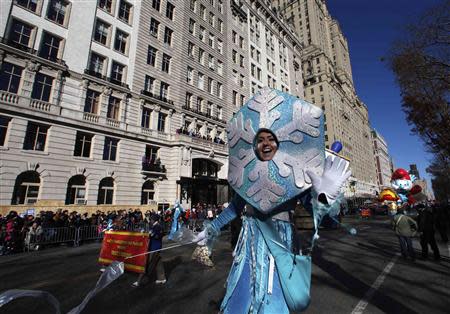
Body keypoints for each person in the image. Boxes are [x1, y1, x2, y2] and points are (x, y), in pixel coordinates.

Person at [193, 88, 350, 313]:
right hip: (248, 246)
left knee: (273, 301)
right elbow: (236, 207)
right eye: (260, 140)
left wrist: (324, 198)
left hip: (279, 246)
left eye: (271, 139)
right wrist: (210, 230)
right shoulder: (248, 178)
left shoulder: (298, 178)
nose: (265, 143)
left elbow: (317, 221)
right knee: (239, 300)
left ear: (280, 144)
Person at [132, 213, 166, 287]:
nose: (150, 221)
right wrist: (146, 233)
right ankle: (162, 278)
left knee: (146, 264)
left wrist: (151, 235)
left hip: (154, 248)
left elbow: (158, 236)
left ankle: (138, 281)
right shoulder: (154, 226)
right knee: (158, 263)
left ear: (154, 220)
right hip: (154, 247)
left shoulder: (158, 227)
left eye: (150, 219)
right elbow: (151, 234)